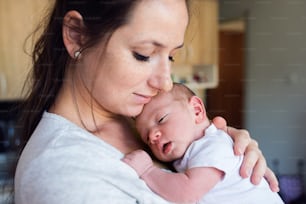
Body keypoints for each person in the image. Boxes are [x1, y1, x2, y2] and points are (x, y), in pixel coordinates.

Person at [14, 1, 279, 204]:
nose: (165, 82)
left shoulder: (140, 119)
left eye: (171, 56)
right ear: (76, 35)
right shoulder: (63, 174)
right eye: (144, 55)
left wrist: (236, 161)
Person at [123, 83, 284, 204]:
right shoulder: (192, 151)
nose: (152, 136)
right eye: (146, 138)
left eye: (161, 119)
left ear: (197, 111)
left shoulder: (212, 146)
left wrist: (147, 171)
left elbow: (187, 192)